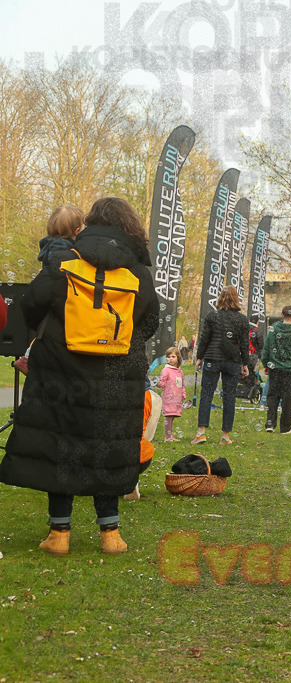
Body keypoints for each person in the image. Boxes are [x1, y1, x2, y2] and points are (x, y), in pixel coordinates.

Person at [0, 196, 159, 555]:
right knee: (109, 444)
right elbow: (149, 321)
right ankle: (111, 534)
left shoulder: (64, 258)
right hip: (116, 372)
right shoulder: (135, 269)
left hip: (61, 367)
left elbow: (32, 303)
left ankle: (59, 534)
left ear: (89, 222)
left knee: (62, 443)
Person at [13, 205, 85, 375]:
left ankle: (28, 357)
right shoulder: (63, 249)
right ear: (76, 230)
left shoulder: (50, 244)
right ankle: (27, 359)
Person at [193, 286, 250, 445]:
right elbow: (245, 344)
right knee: (230, 396)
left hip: (212, 358)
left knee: (206, 394)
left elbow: (205, 338)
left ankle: (201, 433)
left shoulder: (212, 316)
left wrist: (199, 357)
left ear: (220, 298)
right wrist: (245, 363)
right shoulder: (242, 319)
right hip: (232, 361)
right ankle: (225, 436)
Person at [262, 305, 291, 434]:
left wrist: (266, 364)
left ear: (282, 316)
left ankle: (270, 423)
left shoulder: (273, 330)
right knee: (287, 398)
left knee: (272, 395)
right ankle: (285, 427)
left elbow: (266, 348)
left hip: (275, 368)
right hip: (289, 369)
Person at [157, 347, 186, 442]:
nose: (171, 359)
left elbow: (182, 384)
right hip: (168, 397)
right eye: (168, 357)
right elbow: (162, 382)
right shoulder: (166, 370)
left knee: (172, 416)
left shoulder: (180, 371)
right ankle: (168, 437)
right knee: (168, 416)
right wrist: (158, 383)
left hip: (177, 398)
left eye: (173, 356)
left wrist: (183, 393)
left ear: (178, 357)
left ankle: (170, 435)